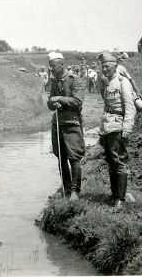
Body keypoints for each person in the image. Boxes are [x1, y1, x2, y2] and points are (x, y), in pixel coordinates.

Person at [99, 52, 137, 208]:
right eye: (103, 66)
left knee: (119, 161)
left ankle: (120, 199)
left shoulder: (123, 82)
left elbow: (130, 107)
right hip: (108, 126)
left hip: (119, 125)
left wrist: (127, 127)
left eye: (107, 66)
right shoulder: (107, 82)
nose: (105, 69)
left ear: (115, 65)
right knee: (111, 161)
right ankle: (114, 194)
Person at [47, 52, 85, 201]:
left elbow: (78, 102)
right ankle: (66, 189)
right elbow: (49, 102)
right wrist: (52, 102)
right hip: (57, 123)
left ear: (62, 65)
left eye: (53, 66)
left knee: (74, 157)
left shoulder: (74, 80)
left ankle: (75, 191)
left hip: (71, 123)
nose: (51, 69)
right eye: (50, 66)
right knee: (60, 157)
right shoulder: (54, 81)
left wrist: (60, 99)